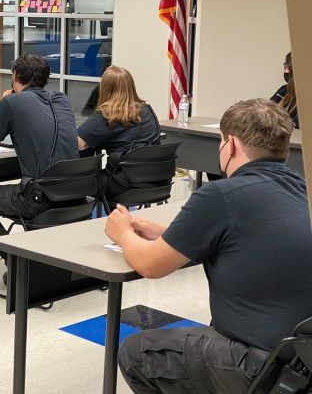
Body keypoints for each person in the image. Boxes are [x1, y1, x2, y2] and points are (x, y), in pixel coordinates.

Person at [104, 98, 312, 394]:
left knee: (138, 353)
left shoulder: (221, 194)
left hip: (263, 367)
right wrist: (165, 233)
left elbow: (150, 265)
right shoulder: (302, 187)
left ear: (231, 146)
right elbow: (244, 240)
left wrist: (123, 233)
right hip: (301, 361)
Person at [0, 54, 79, 255]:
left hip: (38, 198)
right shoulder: (61, 99)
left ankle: (14, 259)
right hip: (74, 194)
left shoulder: (11, 103)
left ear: (15, 75)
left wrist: (4, 102)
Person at [77, 65, 160, 202]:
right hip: (158, 180)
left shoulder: (107, 115)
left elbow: (79, 143)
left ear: (105, 88)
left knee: (80, 182)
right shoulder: (147, 110)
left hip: (125, 184)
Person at [270, 51, 298, 128]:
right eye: (284, 66)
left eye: (287, 66)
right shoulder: (284, 89)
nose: (284, 71)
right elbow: (266, 112)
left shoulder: (305, 96)